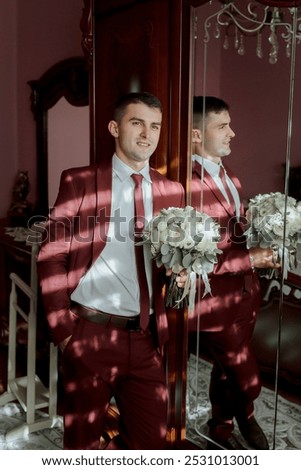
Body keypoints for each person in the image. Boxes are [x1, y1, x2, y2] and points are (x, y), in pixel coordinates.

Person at [37, 91, 185, 450]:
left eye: (155, 126)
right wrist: (64, 332)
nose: (147, 134)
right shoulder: (80, 181)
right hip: (89, 334)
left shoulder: (173, 191)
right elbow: (51, 255)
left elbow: (170, 260)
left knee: (152, 445)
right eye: (137, 123)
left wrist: (180, 274)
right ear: (114, 127)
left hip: (146, 338)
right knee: (82, 443)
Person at [188, 96, 280, 450]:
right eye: (222, 126)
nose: (232, 132)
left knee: (225, 367)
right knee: (246, 378)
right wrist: (249, 259)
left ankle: (221, 421)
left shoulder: (231, 176)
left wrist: (259, 227)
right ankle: (248, 415)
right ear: (196, 135)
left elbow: (233, 236)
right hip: (215, 299)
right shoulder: (185, 184)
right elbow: (195, 258)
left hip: (247, 292)